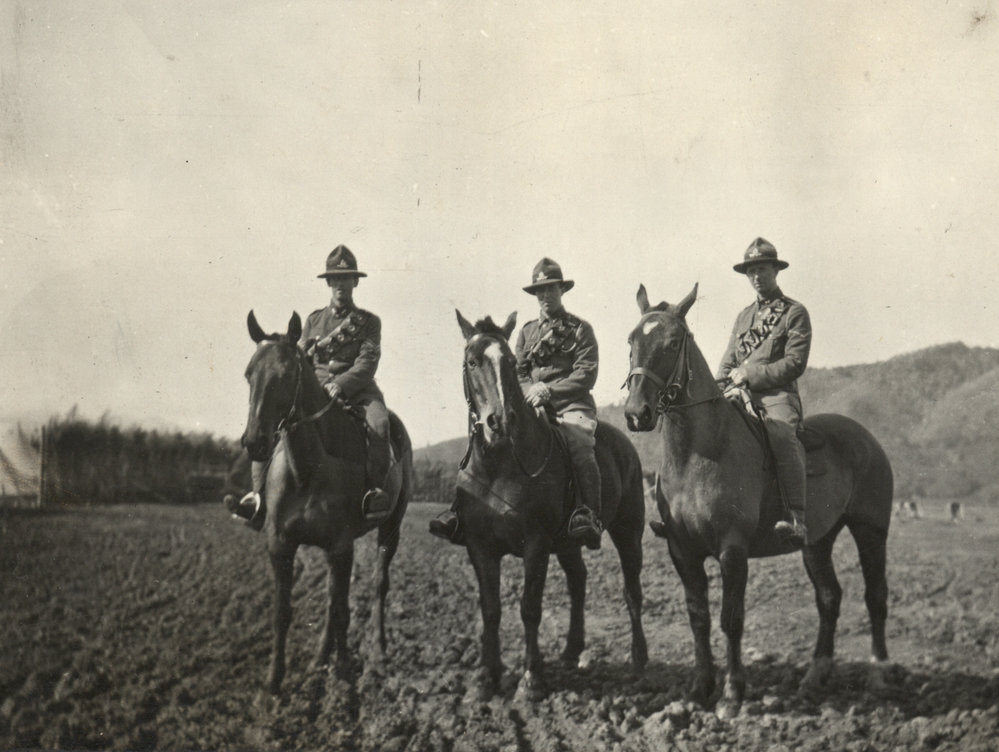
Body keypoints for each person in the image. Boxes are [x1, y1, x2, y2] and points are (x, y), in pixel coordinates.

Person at [429, 258, 603, 550]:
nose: (545, 296)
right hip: (531, 405)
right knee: (483, 439)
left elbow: (586, 373)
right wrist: (530, 391)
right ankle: (460, 512)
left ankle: (589, 515)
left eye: (550, 289)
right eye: (540, 291)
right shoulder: (527, 332)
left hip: (571, 406)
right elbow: (518, 372)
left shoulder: (580, 329)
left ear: (562, 289)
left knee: (581, 448)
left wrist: (549, 390)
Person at [226, 245, 393, 528]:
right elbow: (303, 358)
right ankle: (256, 497)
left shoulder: (369, 322)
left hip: (358, 390)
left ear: (355, 282)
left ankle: (373, 492)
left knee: (380, 424)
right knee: (272, 423)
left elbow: (367, 363)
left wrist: (341, 384)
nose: (341, 284)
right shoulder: (313, 320)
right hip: (317, 387)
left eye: (346, 278)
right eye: (335, 279)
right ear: (329, 283)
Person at [716, 237, 812, 543]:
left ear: (775, 270)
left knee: (782, 435)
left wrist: (751, 374)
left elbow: (794, 363)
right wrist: (717, 389)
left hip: (775, 395)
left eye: (762, 269)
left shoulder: (794, 312)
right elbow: (728, 360)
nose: (756, 276)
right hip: (738, 395)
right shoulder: (743, 316)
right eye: (751, 271)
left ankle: (796, 517)